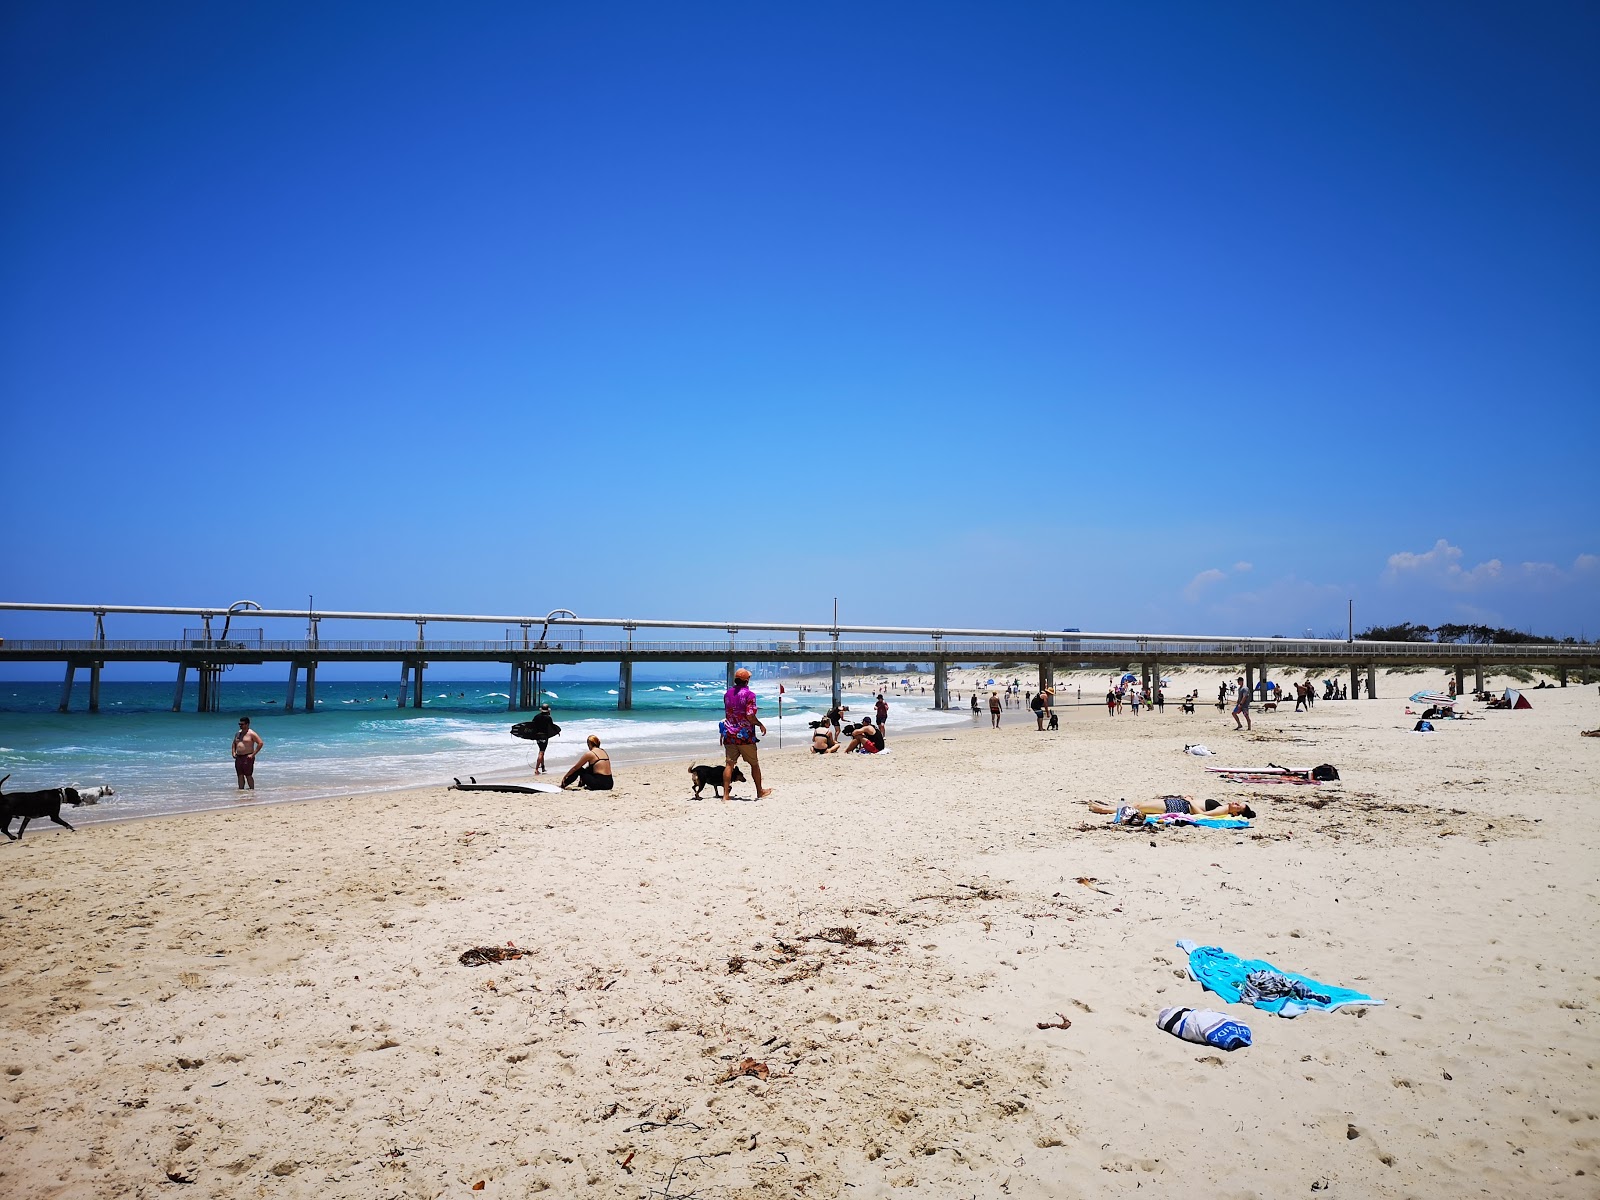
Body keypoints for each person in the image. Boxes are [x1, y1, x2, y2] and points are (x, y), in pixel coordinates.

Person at [723, 668, 772, 799]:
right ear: (746, 680)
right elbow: (750, 715)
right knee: (754, 764)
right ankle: (759, 791)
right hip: (745, 736)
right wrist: (760, 724)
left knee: (729, 764)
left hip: (729, 734)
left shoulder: (727, 694)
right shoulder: (750, 695)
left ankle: (726, 795)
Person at [1088, 796, 1255, 818]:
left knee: (1139, 807)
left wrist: (1189, 801)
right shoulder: (1225, 807)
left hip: (1180, 806)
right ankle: (1106, 807)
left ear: (1236, 812)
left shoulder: (1223, 809)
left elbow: (1204, 816)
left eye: (1238, 806)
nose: (1235, 803)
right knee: (1140, 805)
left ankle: (1104, 809)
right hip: (1180, 803)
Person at [231, 716, 263, 791]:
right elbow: (234, 743)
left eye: (242, 724)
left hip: (247, 757)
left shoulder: (251, 733)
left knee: (248, 775)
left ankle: (252, 791)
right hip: (238, 757)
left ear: (247, 724)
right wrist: (233, 752)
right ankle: (241, 791)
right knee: (240, 775)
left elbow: (260, 743)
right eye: (239, 724)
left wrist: (253, 754)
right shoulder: (238, 733)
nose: (240, 726)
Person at [526, 703, 559, 774]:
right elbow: (552, 726)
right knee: (541, 752)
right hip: (544, 736)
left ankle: (543, 767)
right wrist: (557, 731)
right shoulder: (548, 718)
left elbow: (532, 725)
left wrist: (530, 735)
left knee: (541, 751)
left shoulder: (536, 716)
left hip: (537, 736)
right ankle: (536, 769)